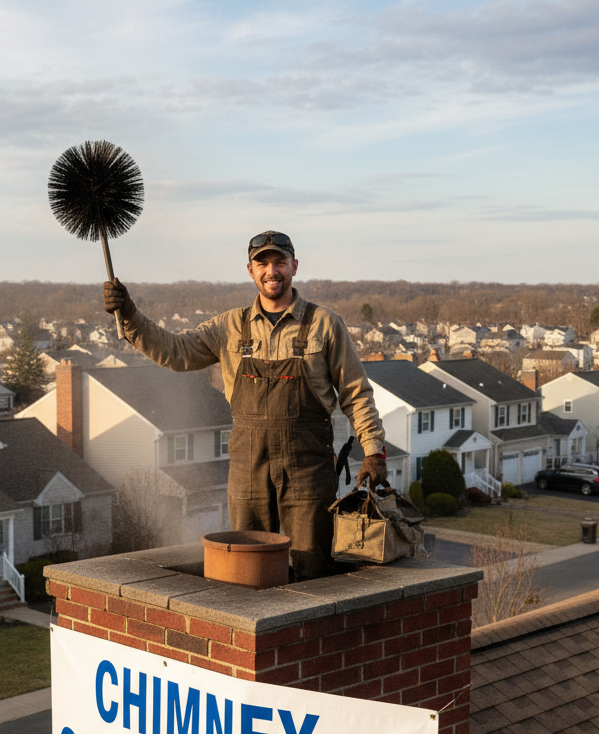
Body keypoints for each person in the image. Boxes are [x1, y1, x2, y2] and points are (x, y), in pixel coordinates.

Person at [104, 230, 387, 578]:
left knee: (312, 564)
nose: (272, 271)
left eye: (279, 262)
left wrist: (373, 451)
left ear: (294, 266)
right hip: (247, 463)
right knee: (248, 566)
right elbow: (175, 353)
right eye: (262, 263)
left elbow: (356, 393)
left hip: (308, 465)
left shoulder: (325, 325)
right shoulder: (229, 327)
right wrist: (130, 315)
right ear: (250, 270)